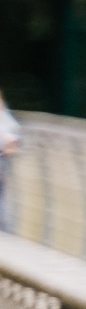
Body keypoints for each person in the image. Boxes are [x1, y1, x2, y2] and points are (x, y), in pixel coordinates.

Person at [0, 88, 21, 234]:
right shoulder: (6, 117)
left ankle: (7, 233)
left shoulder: (4, 118)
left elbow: (11, 140)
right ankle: (7, 233)